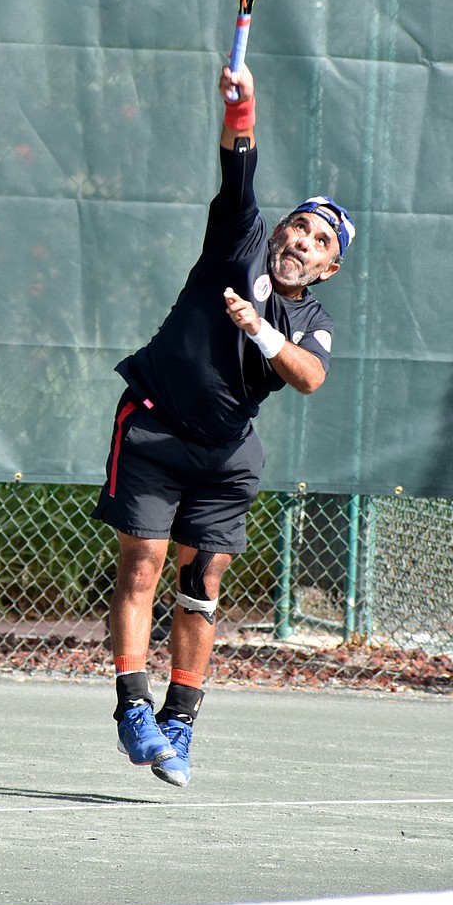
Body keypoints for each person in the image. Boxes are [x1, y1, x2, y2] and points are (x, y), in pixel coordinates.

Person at [92, 62, 355, 788]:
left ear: (328, 267)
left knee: (201, 583)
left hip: (227, 454)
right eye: (299, 226)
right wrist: (243, 108)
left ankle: (180, 718)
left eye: (319, 241)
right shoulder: (239, 239)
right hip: (153, 426)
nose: (302, 241)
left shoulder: (312, 321)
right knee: (142, 563)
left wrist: (260, 332)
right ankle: (133, 708)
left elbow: (309, 376)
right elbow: (238, 163)